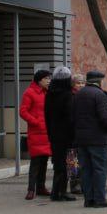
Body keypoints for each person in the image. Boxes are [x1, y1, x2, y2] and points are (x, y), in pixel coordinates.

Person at [72, 68, 107, 208]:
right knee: (100, 169)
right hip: (98, 138)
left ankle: (88, 199)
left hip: (81, 138)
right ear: (99, 81)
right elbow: (105, 117)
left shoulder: (78, 94)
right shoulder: (99, 95)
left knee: (86, 169)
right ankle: (100, 199)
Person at [43, 67, 77, 202]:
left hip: (54, 133)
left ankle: (57, 191)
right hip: (67, 135)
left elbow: (47, 115)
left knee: (58, 164)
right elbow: (70, 117)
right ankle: (60, 192)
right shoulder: (68, 95)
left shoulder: (50, 94)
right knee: (67, 164)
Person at [20, 69, 52, 200]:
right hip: (36, 132)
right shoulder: (30, 92)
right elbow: (23, 111)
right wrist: (36, 122)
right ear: (39, 80)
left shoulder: (47, 93)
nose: (49, 81)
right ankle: (31, 189)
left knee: (44, 161)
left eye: (49, 79)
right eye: (46, 79)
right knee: (35, 162)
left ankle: (41, 187)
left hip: (47, 132)